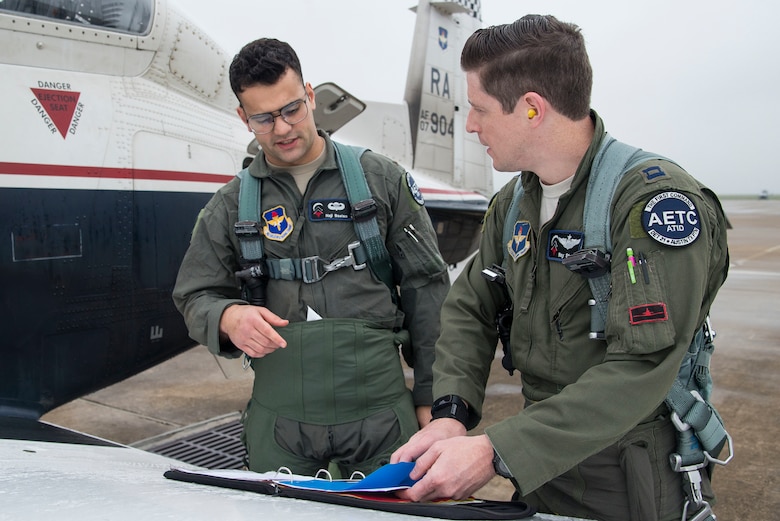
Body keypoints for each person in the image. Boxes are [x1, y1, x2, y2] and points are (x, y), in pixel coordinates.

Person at [391, 15, 730, 521]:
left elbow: (640, 368)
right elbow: (470, 309)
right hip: (541, 469)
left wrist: (495, 451)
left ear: (531, 109)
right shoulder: (515, 203)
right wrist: (451, 414)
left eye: (479, 109)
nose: (470, 125)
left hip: (627, 472)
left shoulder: (652, 205)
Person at [173, 38, 450, 477]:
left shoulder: (381, 180)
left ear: (310, 95)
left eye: (291, 109)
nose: (282, 129)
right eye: (263, 118)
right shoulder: (229, 205)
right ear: (243, 118)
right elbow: (194, 294)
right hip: (281, 429)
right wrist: (228, 318)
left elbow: (428, 292)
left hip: (382, 422)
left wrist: (433, 401)